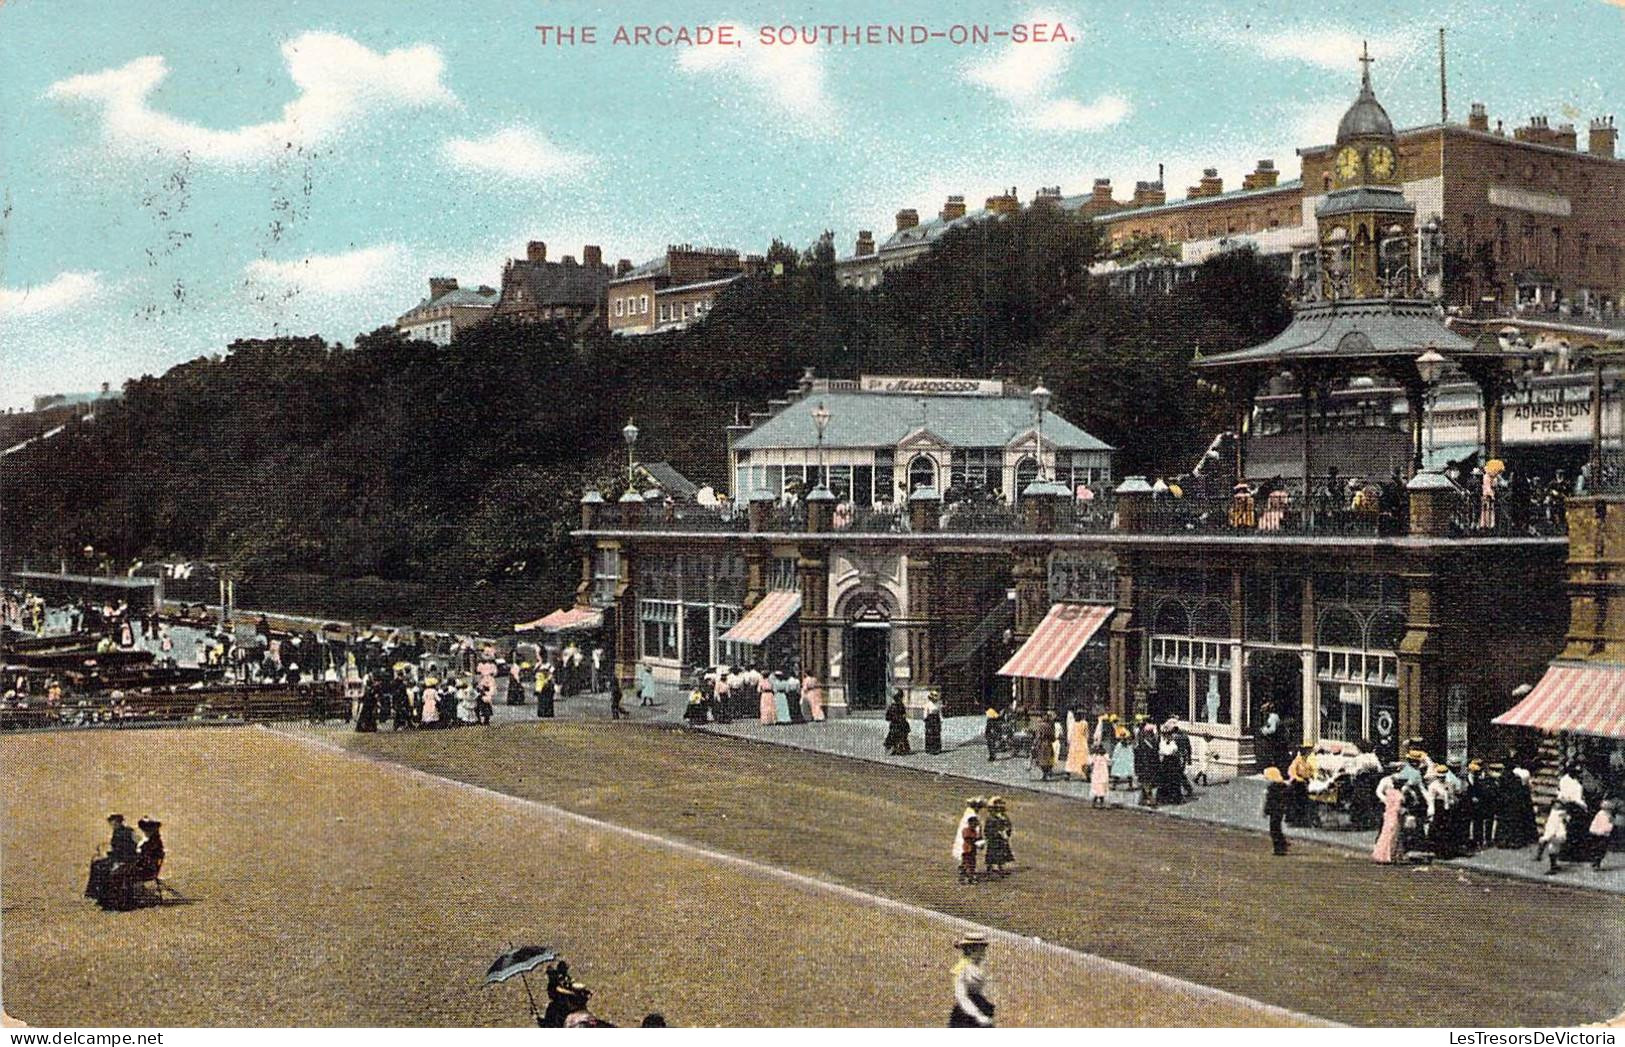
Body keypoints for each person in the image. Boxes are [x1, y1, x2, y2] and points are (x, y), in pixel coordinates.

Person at [103, 818, 164, 911]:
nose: (146, 831)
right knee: (118, 871)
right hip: (142, 867)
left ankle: (124, 901)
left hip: (147, 870)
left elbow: (147, 860)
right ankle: (118, 900)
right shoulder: (150, 840)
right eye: (145, 829)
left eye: (148, 829)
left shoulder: (153, 842)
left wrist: (133, 862)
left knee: (119, 873)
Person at [85, 813, 138, 903]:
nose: (113, 825)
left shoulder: (126, 832)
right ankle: (94, 892)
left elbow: (128, 848)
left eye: (114, 822)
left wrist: (112, 855)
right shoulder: (119, 831)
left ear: (119, 822)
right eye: (112, 823)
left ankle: (102, 894)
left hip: (125, 859)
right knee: (97, 864)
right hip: (119, 857)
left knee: (101, 867)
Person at [947, 933, 995, 1027]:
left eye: (984, 948)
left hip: (981, 1009)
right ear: (970, 949)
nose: (983, 952)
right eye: (980, 949)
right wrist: (977, 1015)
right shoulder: (961, 968)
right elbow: (961, 996)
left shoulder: (976, 968)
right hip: (966, 1015)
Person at [1372, 769, 1405, 864]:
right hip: (1394, 815)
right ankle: (1389, 855)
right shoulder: (1399, 795)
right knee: (1392, 836)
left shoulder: (1390, 792)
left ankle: (1382, 854)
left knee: (1385, 834)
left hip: (1388, 814)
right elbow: (1378, 792)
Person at [1286, 744, 1318, 827]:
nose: (1305, 754)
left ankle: (1304, 819)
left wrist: (1312, 777)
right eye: (1304, 752)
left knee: (1307, 800)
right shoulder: (1297, 760)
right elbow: (1291, 772)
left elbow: (1311, 772)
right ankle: (1295, 819)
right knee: (1296, 800)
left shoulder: (1308, 762)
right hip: (1297, 783)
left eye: (1307, 752)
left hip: (1305, 782)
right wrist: (1299, 779)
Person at [982, 797, 1014, 876]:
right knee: (992, 853)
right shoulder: (991, 817)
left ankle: (999, 867)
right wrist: (996, 833)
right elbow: (988, 829)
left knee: (1001, 853)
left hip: (1001, 838)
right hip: (994, 838)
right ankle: (990, 868)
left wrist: (1006, 832)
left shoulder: (1003, 816)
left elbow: (1009, 825)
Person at [1263, 766, 1289, 856]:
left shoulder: (1272, 787)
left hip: (1274, 810)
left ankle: (1279, 848)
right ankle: (1282, 845)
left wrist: (1266, 811)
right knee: (1277, 828)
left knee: (1274, 829)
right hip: (1280, 811)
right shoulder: (1283, 786)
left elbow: (1269, 801)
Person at [1064, 707, 1090, 780]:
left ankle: (1070, 774)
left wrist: (1069, 741)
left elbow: (1071, 733)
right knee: (1080, 758)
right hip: (1080, 742)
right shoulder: (1084, 723)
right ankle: (1084, 775)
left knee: (1075, 758)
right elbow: (1086, 734)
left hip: (1075, 742)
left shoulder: (1075, 723)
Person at [884, 690, 912, 755]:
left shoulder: (894, 706)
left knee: (897, 736)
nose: (901, 698)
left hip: (897, 724)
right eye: (900, 697)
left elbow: (888, 717)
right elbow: (888, 717)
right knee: (899, 736)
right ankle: (897, 749)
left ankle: (898, 749)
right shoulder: (898, 706)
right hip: (898, 724)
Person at [958, 814, 981, 885]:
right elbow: (967, 839)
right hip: (967, 850)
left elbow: (978, 838)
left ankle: (969, 877)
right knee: (967, 864)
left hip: (973, 850)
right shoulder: (966, 830)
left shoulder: (974, 831)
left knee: (972, 864)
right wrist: (976, 840)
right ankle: (966, 877)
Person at [1031, 713, 1055, 781]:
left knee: (1041, 760)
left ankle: (1045, 774)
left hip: (1042, 745)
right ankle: (1047, 773)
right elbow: (1053, 737)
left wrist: (1034, 744)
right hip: (1049, 744)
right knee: (1047, 759)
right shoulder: (1050, 726)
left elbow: (1038, 736)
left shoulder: (1040, 726)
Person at [1110, 726, 1135, 790]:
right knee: (1123, 773)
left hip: (1122, 761)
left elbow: (1115, 754)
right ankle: (1129, 786)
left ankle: (1114, 786)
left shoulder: (1122, 745)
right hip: (1123, 761)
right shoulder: (1126, 745)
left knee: (1119, 773)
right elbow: (1131, 754)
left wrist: (1113, 760)